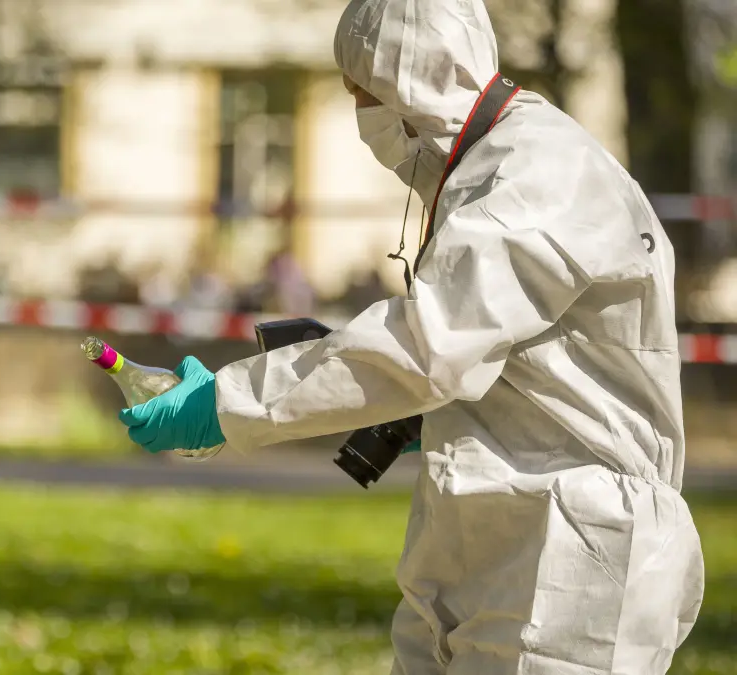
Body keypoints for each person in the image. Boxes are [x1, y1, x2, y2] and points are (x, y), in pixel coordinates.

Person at [116, 0, 706, 672]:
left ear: (409, 81)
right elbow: (502, 353)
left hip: (573, 565)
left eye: (360, 94)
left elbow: (430, 346)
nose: (360, 117)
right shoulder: (490, 171)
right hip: (498, 541)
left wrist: (228, 404)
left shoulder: (537, 174)